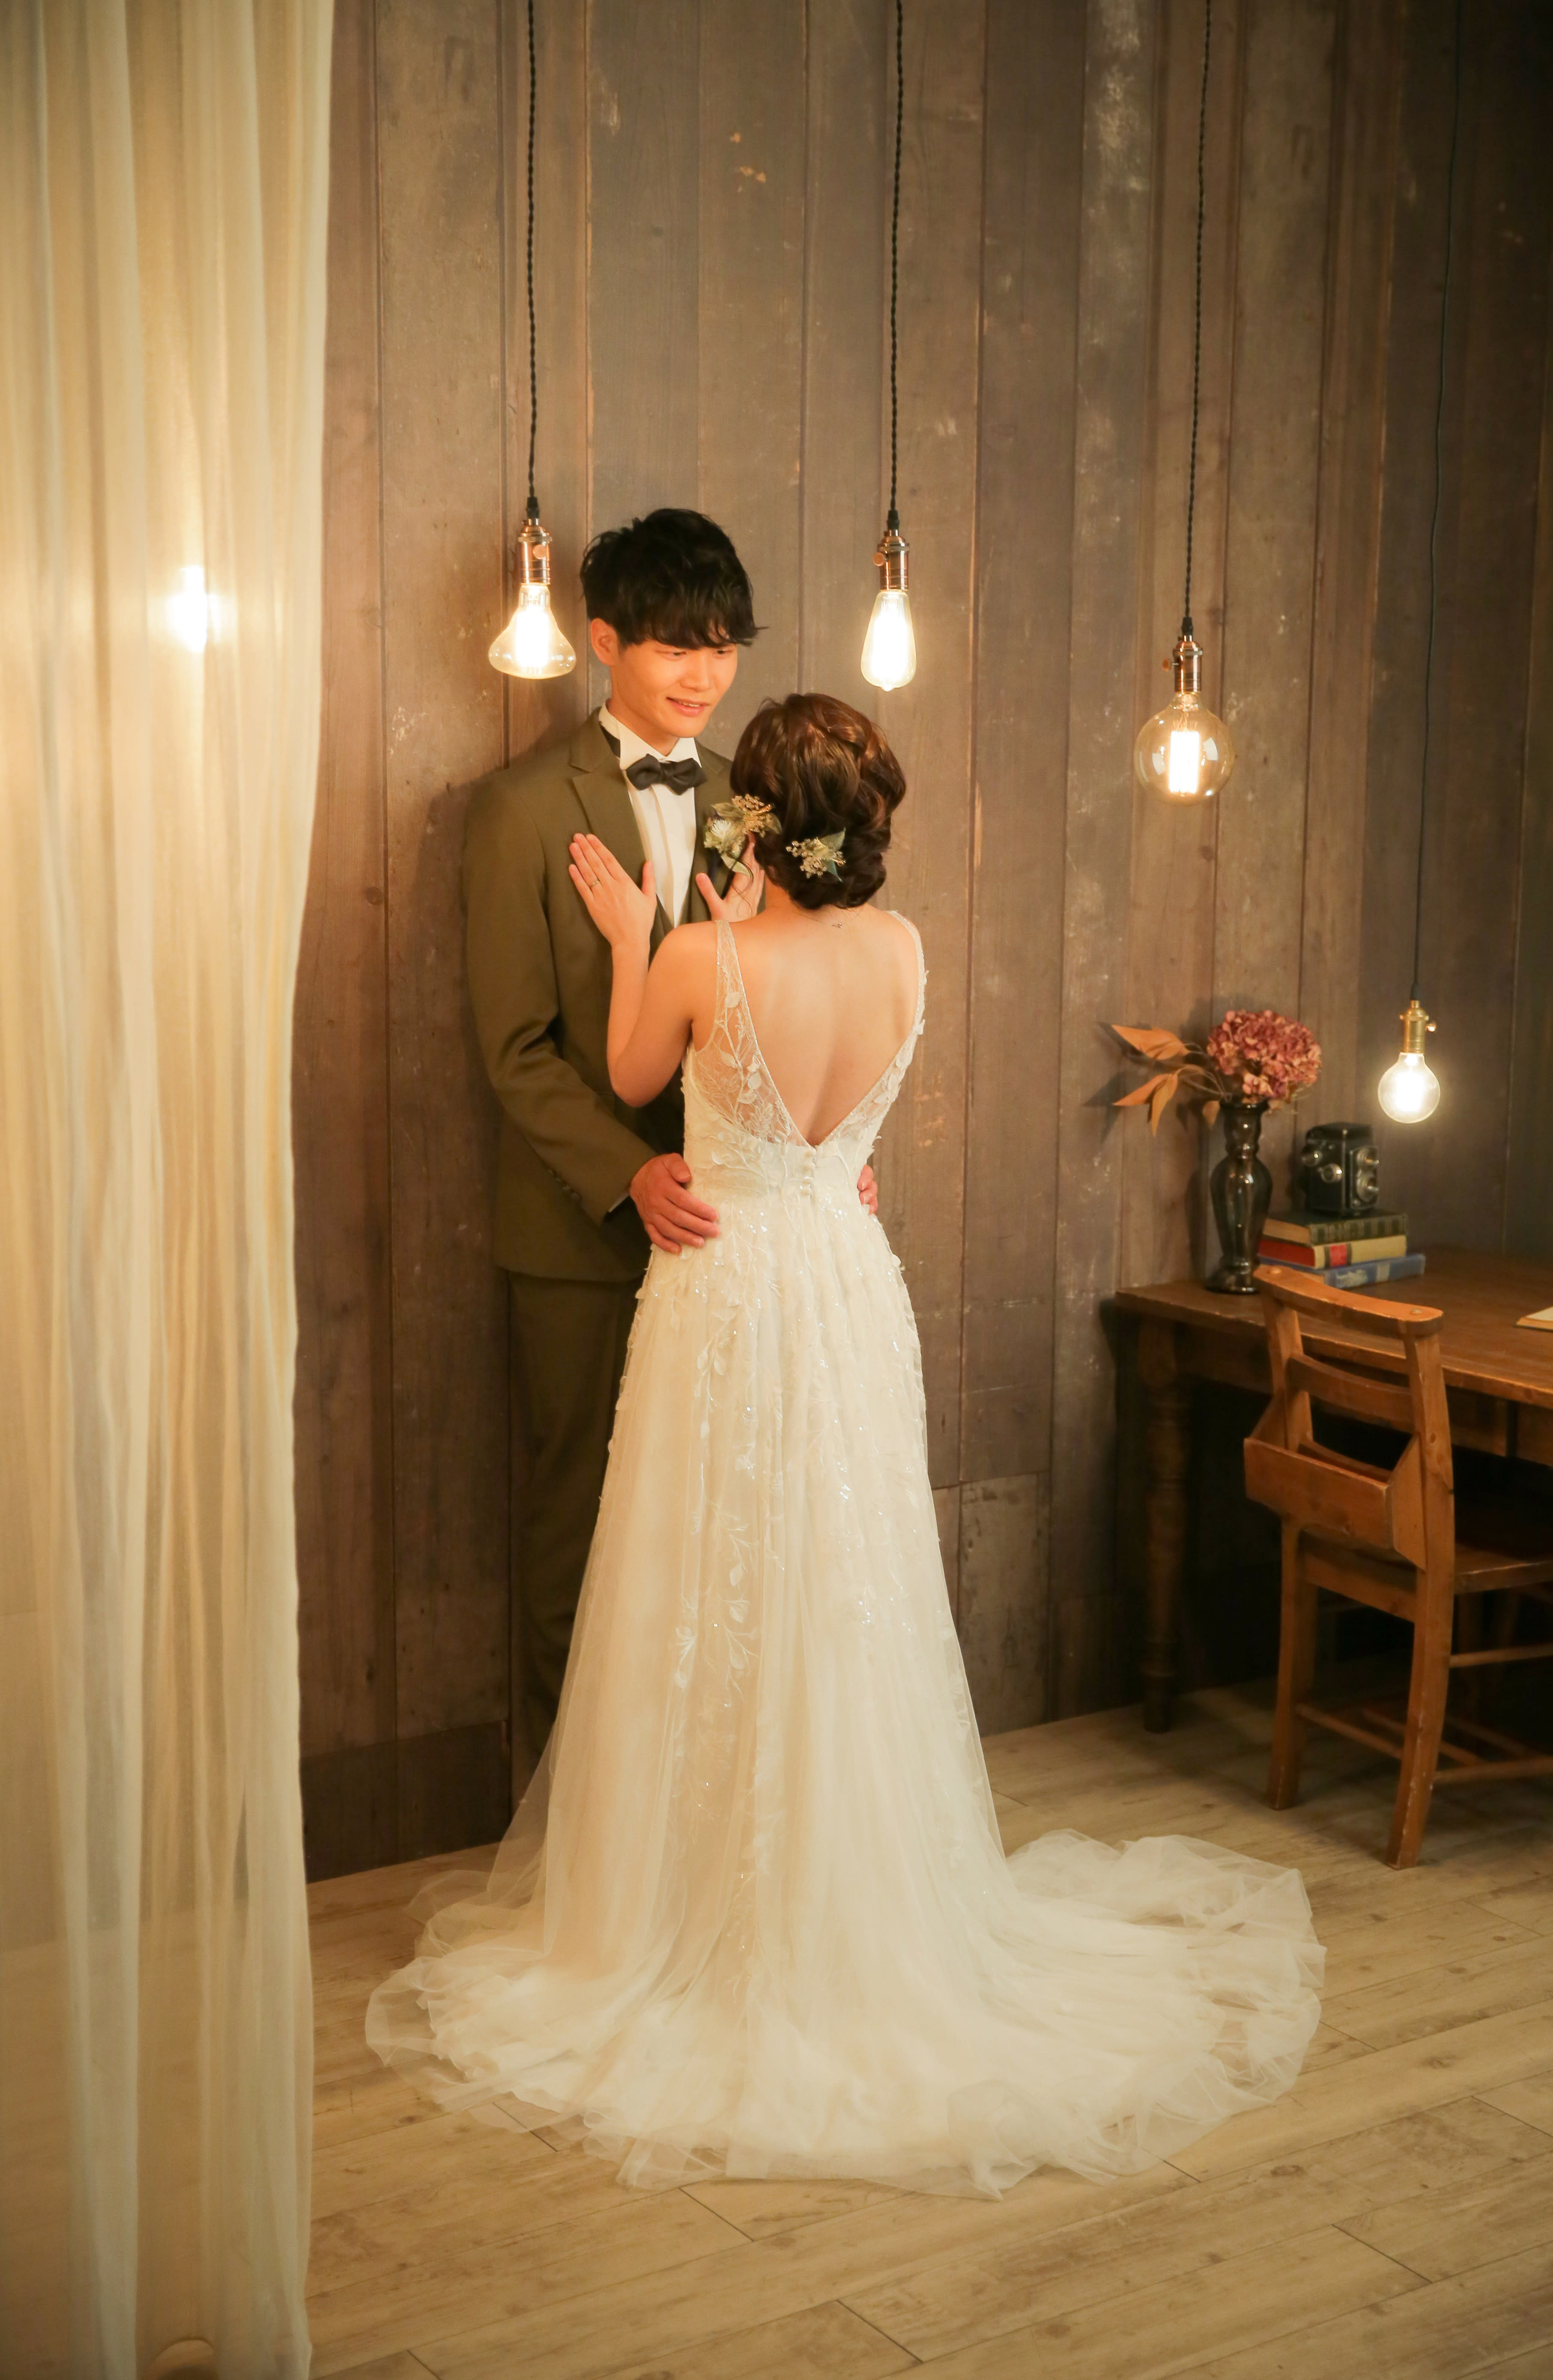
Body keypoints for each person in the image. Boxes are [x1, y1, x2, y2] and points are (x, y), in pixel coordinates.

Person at [371, 693, 1322, 2196]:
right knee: (840, 1580)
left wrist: (633, 936)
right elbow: (825, 1107)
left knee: (706, 1577)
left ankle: (682, 1904)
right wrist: (729, 928)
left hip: (726, 1288)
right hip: (842, 1276)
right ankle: (851, 1898)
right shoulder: (904, 952)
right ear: (863, 827)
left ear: (756, 821)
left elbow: (633, 1079)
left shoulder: (699, 957)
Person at [463, 511, 876, 1771]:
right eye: (675, 646)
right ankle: (561, 1827)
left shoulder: (764, 806)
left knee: (726, 1532)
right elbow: (516, 1051)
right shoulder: (518, 810)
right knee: (578, 1533)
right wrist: (628, 1172)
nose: (705, 674)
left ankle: (698, 1819)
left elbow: (815, 981)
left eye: (724, 647)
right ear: (603, 643)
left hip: (741, 1239)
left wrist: (826, 1145)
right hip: (583, 1238)